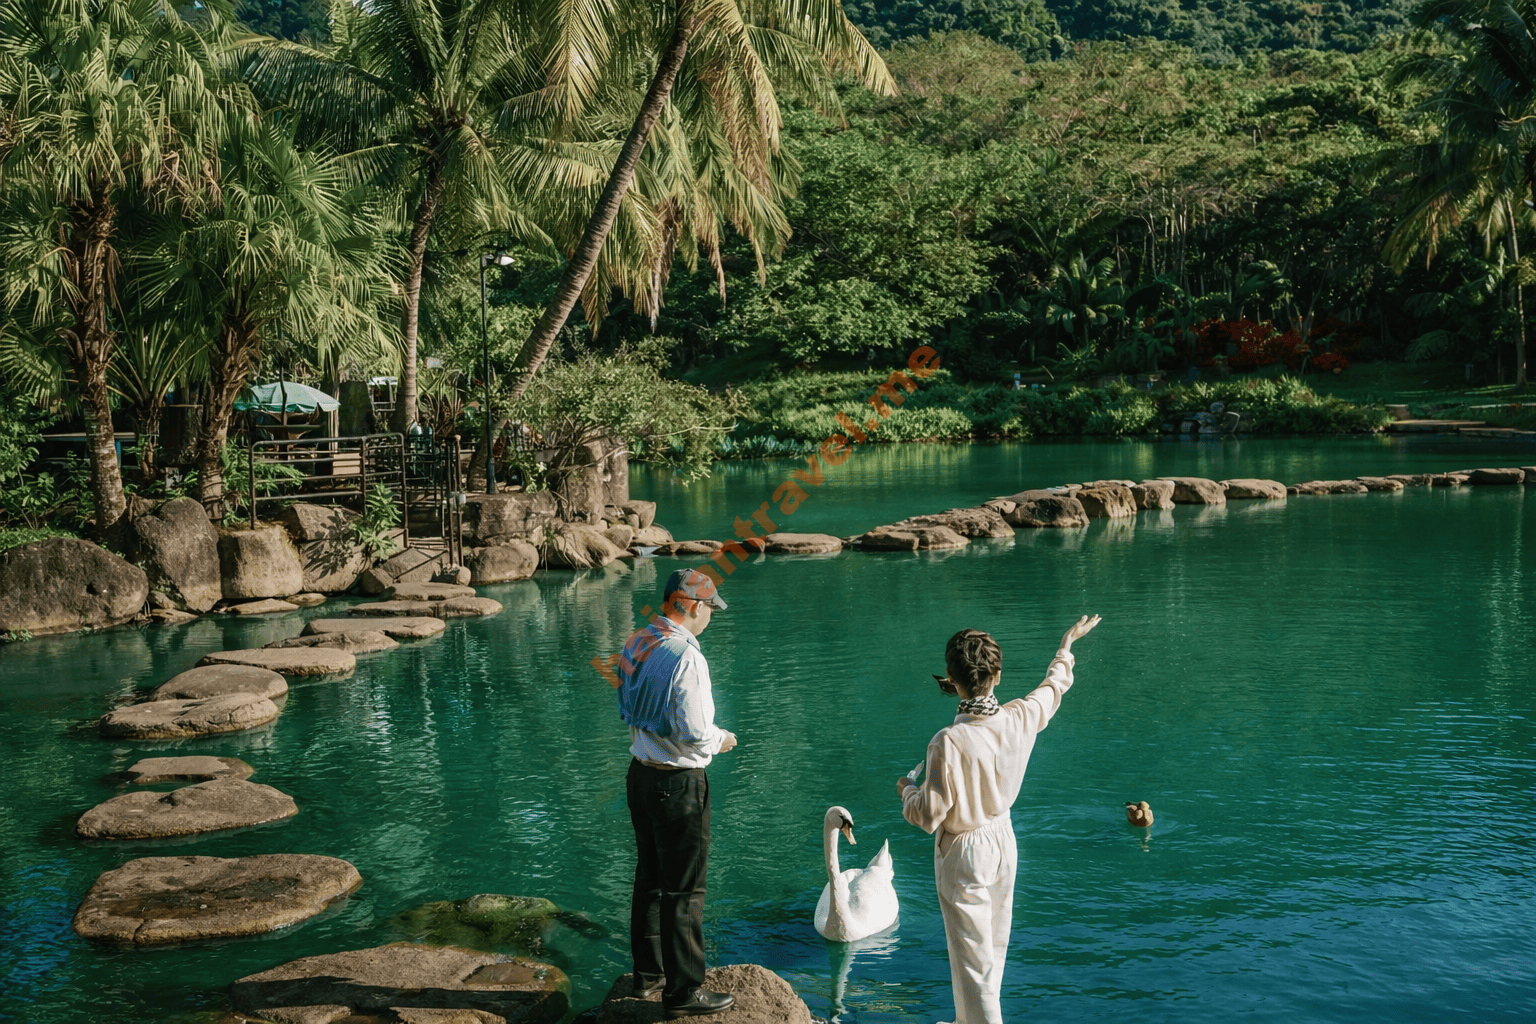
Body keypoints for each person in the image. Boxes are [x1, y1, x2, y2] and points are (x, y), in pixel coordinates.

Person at [898, 614, 1102, 1024]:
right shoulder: (1019, 717)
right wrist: (1065, 647)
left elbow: (928, 815)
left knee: (972, 962)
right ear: (998, 675)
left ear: (952, 681)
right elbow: (1053, 688)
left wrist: (906, 789)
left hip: (964, 851)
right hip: (1003, 841)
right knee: (992, 952)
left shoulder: (947, 741)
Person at [617, 568, 740, 1019]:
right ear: (693, 606)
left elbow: (630, 707)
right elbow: (695, 733)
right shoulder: (687, 657)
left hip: (640, 776)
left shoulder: (637, 641)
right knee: (684, 891)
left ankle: (647, 977)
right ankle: (684, 992)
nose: (710, 616)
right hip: (678, 784)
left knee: (649, 879)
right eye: (710, 608)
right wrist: (722, 739)